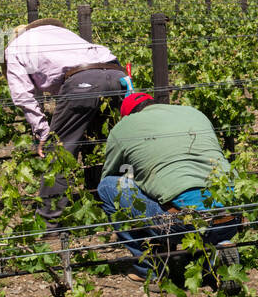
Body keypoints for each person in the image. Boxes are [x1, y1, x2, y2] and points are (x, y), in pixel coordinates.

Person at [97, 93, 239, 281]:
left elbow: (111, 173)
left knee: (108, 187)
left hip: (182, 222)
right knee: (196, 193)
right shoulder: (193, 112)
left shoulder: (123, 127)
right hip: (233, 212)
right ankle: (220, 245)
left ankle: (149, 269)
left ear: (128, 115)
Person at [3, 18, 130, 218]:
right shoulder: (60, 33)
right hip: (116, 74)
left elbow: (22, 96)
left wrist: (43, 132)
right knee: (100, 146)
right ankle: (109, 207)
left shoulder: (15, 48)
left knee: (59, 152)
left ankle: (49, 221)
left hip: (83, 80)